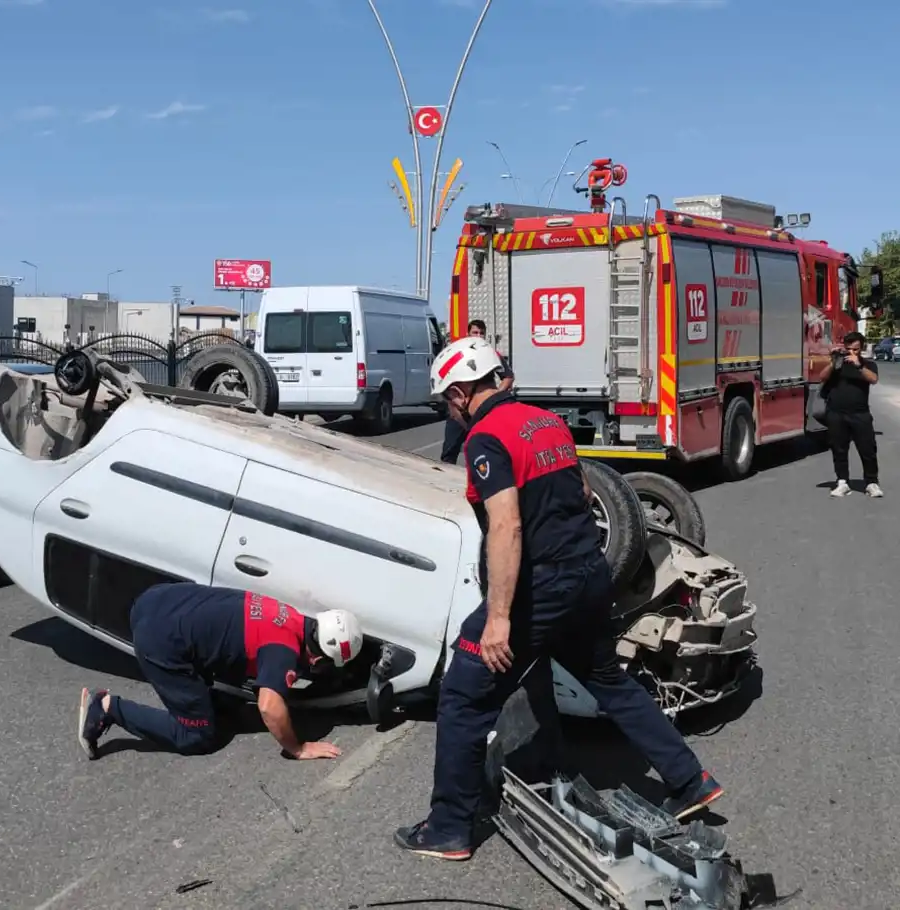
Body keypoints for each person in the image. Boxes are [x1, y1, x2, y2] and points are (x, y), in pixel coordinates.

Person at [394, 336, 723, 862]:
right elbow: (587, 493)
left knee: (462, 697)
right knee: (607, 680)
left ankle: (449, 827)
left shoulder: (486, 439)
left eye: (446, 402)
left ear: (459, 393)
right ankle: (691, 780)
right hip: (588, 575)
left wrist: (500, 617)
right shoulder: (544, 421)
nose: (448, 413)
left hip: (539, 588)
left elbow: (506, 526)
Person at [76, 582, 364, 760]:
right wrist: (298, 748)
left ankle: (206, 699)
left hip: (160, 599)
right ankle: (108, 708)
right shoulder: (283, 652)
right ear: (320, 658)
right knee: (197, 736)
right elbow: (269, 707)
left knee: (225, 690)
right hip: (161, 640)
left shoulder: (291, 616)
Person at [439, 320, 514, 465]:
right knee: (449, 453)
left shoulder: (491, 354)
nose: (478, 336)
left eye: (481, 333)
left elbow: (508, 377)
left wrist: (495, 396)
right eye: (475, 332)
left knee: (484, 452)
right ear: (468, 334)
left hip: (481, 411)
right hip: (460, 410)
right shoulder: (458, 354)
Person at [818, 330, 882, 498]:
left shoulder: (867, 364)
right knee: (839, 449)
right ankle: (842, 482)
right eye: (849, 349)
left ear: (861, 349)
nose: (851, 353)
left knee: (867, 450)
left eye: (856, 350)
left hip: (860, 414)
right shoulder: (838, 366)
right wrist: (833, 362)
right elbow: (821, 377)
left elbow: (873, 379)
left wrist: (858, 365)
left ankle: (871, 482)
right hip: (836, 413)